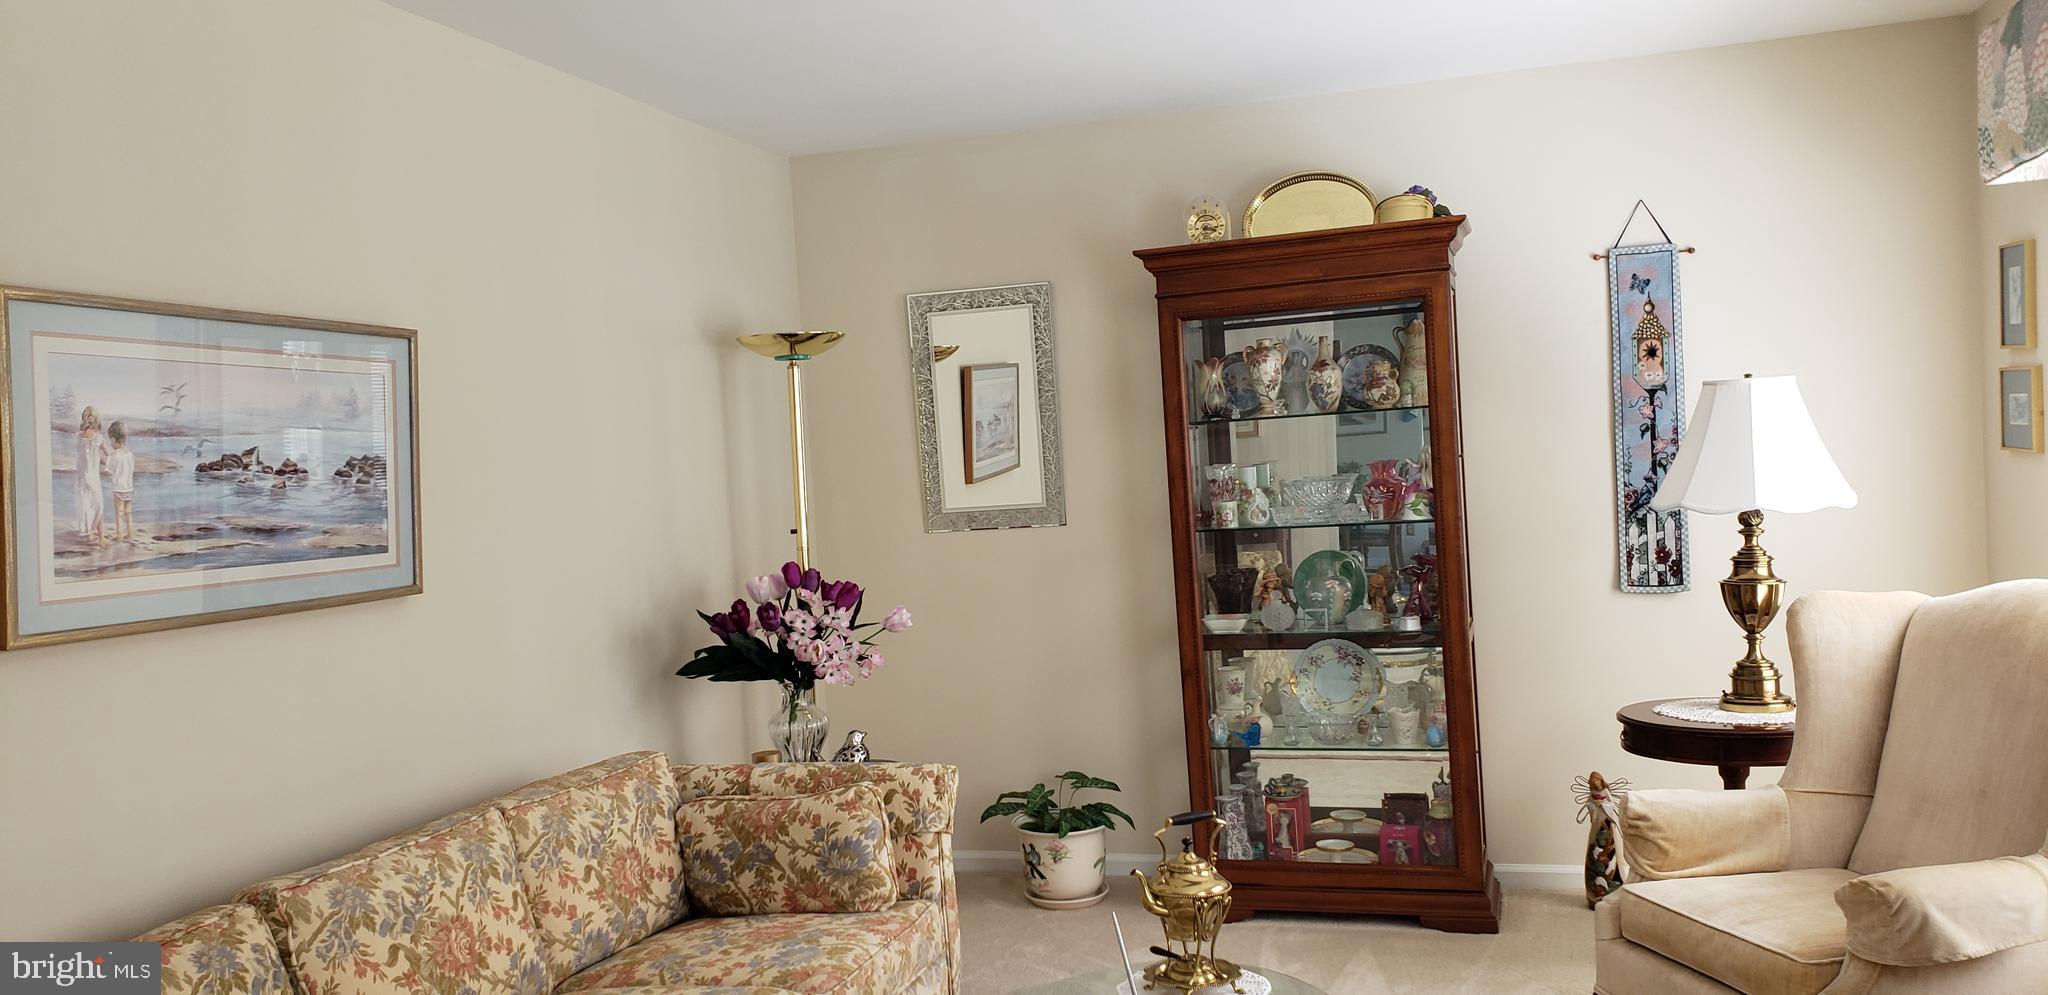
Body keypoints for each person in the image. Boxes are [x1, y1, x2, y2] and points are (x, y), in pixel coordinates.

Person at [74, 405, 109, 545]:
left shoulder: (78, 437)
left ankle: (89, 533)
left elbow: (84, 455)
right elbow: (106, 455)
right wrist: (107, 463)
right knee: (98, 504)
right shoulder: (99, 438)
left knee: (87, 503)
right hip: (93, 477)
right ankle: (101, 537)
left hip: (82, 477)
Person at [106, 420, 134, 542]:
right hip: (129, 487)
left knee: (118, 512)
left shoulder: (115, 455)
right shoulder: (130, 454)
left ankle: (119, 535)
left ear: (113, 440)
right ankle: (130, 533)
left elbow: (109, 470)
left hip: (118, 487)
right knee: (128, 511)